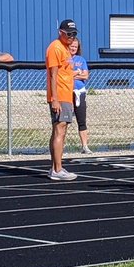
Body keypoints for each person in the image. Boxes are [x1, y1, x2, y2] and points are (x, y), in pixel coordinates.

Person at [45, 19, 79, 180]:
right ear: (61, 33)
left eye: (74, 34)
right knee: (59, 130)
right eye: (69, 34)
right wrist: (55, 99)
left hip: (67, 95)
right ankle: (57, 169)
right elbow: (53, 74)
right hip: (60, 96)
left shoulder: (65, 49)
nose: (72, 37)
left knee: (61, 130)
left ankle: (55, 167)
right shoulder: (55, 48)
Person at [68, 37, 94, 154]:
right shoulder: (65, 59)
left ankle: (85, 146)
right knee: (64, 121)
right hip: (67, 92)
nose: (73, 48)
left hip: (80, 92)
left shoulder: (81, 60)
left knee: (81, 120)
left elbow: (85, 76)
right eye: (71, 46)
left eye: (75, 46)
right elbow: (64, 75)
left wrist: (75, 74)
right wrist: (77, 72)